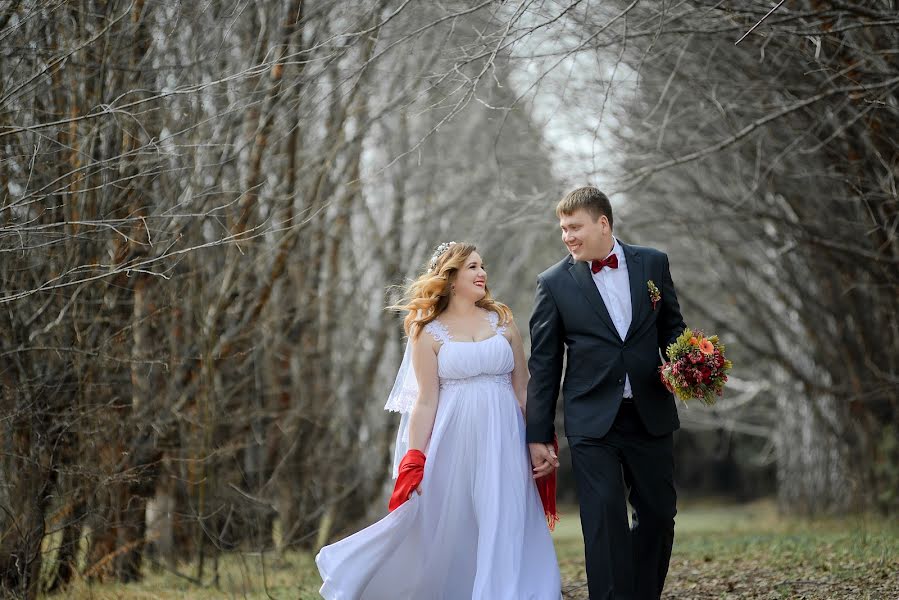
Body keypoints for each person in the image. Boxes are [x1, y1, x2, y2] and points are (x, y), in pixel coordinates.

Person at [316, 241, 561, 599]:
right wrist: (413, 459)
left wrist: (539, 439)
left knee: (505, 517)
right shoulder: (427, 332)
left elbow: (523, 388)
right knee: (455, 525)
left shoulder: (503, 320)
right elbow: (426, 401)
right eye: (472, 267)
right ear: (450, 278)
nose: (482, 273)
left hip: (505, 436)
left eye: (482, 266)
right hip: (454, 441)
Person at [526, 187, 687, 600]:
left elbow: (672, 330)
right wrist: (538, 435)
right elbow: (544, 365)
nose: (567, 236)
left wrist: (689, 363)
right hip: (591, 422)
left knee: (658, 516)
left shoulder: (653, 263)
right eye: (563, 229)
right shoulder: (553, 283)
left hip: (650, 413)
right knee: (604, 518)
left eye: (575, 226)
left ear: (603, 223)